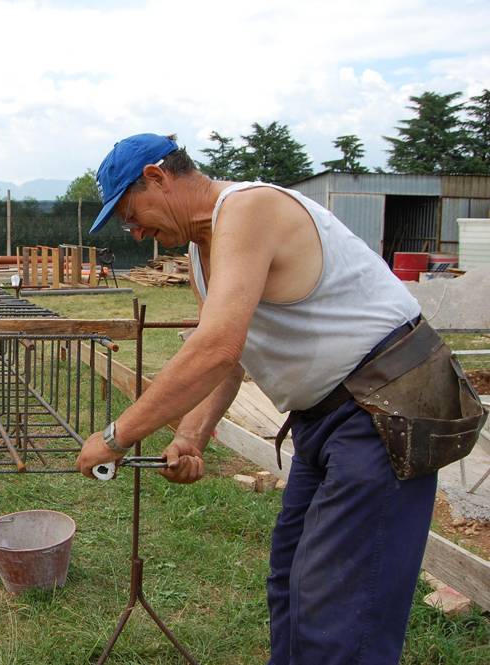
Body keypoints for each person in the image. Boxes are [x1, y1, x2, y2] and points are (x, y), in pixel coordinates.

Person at [74, 134, 482, 664]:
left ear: (158, 177)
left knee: (344, 613)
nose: (134, 231)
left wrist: (116, 436)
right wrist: (191, 436)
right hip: (328, 420)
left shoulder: (249, 208)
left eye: (131, 213)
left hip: (383, 408)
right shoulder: (204, 252)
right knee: (292, 584)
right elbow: (236, 350)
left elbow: (216, 348)